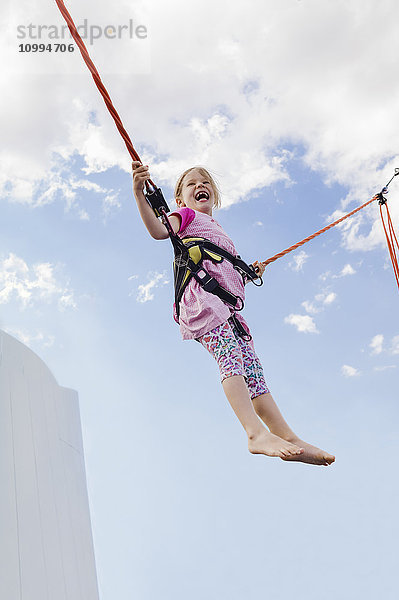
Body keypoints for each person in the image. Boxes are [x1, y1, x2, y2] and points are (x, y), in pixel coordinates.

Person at [132, 161, 335, 466]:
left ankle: (286, 434)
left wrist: (246, 272)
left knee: (253, 372)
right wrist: (139, 193)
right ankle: (254, 433)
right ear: (179, 200)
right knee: (231, 360)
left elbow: (224, 272)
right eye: (192, 184)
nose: (201, 186)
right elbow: (159, 231)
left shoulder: (219, 232)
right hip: (202, 302)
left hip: (226, 310)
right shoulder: (185, 216)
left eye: (206, 182)